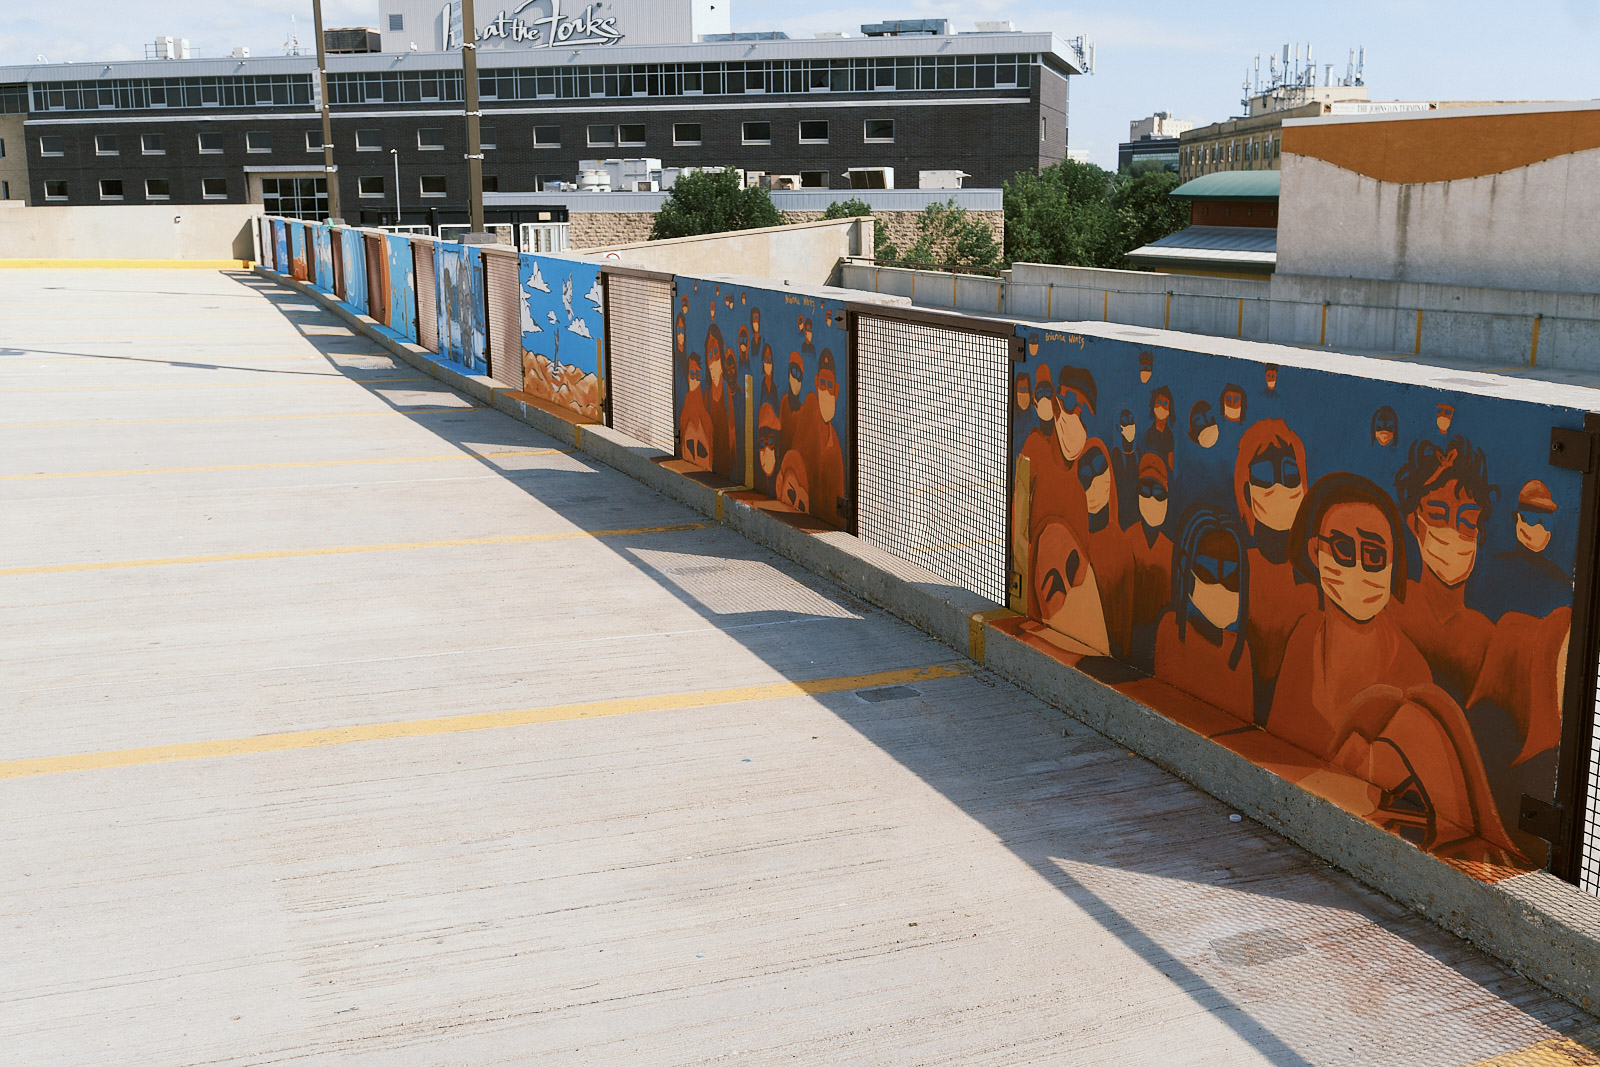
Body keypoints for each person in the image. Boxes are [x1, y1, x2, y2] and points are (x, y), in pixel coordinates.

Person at [1271, 473, 1518, 860]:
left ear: (1392, 565)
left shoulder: (1409, 675)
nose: (1356, 567)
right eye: (1340, 548)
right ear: (1315, 551)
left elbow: (1420, 814)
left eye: (1373, 554)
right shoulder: (1303, 638)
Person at [1389, 437, 1497, 705]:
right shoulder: (1390, 606)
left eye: (1467, 520)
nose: (1453, 530)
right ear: (1414, 522)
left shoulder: (1485, 638)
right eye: (1438, 515)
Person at [1234, 419, 1318, 717]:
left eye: (1290, 474)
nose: (1279, 486)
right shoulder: (1239, 567)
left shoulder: (1314, 582)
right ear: (1246, 490)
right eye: (1264, 475)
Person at [1154, 508, 1254, 721]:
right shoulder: (1170, 630)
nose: (1220, 587)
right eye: (1208, 574)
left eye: (1232, 580)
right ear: (1184, 566)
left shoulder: (1240, 651)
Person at [1081, 439, 1133, 658]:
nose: (1094, 483)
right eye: (1086, 476)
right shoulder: (1075, 543)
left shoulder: (1119, 543)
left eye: (1101, 470)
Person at [1111, 406, 1140, 529]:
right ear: (1119, 427)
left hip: (1136, 510)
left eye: (1131, 421)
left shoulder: (1138, 453)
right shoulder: (1116, 454)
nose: (1129, 426)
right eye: (1125, 422)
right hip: (1122, 509)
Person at [1144, 386, 1175, 469]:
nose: (1161, 407)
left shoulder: (1169, 436)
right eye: (1158, 402)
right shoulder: (1150, 433)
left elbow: (1170, 465)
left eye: (1165, 404)